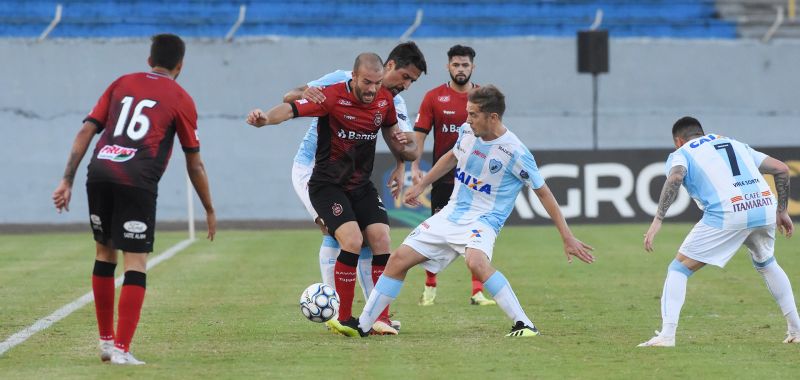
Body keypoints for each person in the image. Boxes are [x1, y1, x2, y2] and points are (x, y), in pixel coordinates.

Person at [331, 85, 595, 338]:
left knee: (476, 262)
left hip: (483, 220)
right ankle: (363, 325)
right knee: (398, 258)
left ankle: (524, 323)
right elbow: (451, 156)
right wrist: (422, 183)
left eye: (473, 114)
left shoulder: (515, 152)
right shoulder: (467, 131)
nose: (467, 118)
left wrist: (567, 236)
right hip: (451, 214)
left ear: (492, 117)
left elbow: (543, 192)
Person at [51, 34, 216, 365]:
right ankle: (122, 350)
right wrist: (209, 208)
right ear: (180, 66)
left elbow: (86, 131)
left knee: (104, 252)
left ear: (148, 60)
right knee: (136, 263)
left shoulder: (121, 83)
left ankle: (106, 342)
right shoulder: (181, 97)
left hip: (99, 172)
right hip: (136, 180)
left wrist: (66, 179)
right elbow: (194, 161)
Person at [246, 53, 418, 335]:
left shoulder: (384, 100)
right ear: (353, 77)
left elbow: (397, 140)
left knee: (381, 238)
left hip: (361, 185)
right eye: (366, 82)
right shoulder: (331, 95)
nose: (372, 89)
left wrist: (406, 150)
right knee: (351, 240)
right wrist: (265, 119)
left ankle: (379, 318)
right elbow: (290, 109)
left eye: (376, 83)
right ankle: (346, 318)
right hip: (328, 185)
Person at [639, 116, 798, 347]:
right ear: (702, 132)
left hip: (728, 212)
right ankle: (796, 328)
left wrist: (657, 219)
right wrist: (782, 211)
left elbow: (675, 177)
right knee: (767, 263)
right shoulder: (734, 143)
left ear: (678, 140)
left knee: (679, 268)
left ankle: (667, 335)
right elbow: (781, 169)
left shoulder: (682, 153)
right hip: (763, 207)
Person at [411, 45, 494, 306]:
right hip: (444, 180)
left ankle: (477, 292)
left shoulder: (483, 99)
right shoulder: (434, 97)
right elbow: (421, 134)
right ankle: (429, 289)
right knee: (436, 236)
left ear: (473, 68)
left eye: (465, 65)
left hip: (475, 183)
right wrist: (415, 166)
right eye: (456, 65)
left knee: (476, 236)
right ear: (448, 66)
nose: (461, 69)